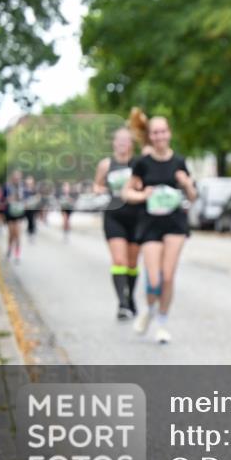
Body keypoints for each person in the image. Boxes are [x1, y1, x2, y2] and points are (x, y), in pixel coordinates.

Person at [122, 116, 196, 344]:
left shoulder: (179, 162)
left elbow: (192, 197)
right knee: (154, 279)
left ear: (169, 133)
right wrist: (143, 195)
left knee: (168, 276)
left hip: (174, 224)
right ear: (150, 136)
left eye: (163, 131)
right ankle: (149, 309)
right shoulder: (141, 163)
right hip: (150, 224)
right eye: (155, 133)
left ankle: (162, 323)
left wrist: (185, 183)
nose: (160, 136)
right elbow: (126, 193)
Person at [93, 127, 144, 321]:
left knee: (132, 263)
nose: (122, 143)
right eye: (119, 140)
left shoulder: (139, 163)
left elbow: (146, 184)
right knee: (119, 261)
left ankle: (130, 297)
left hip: (136, 216)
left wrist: (140, 187)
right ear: (114, 143)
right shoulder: (106, 165)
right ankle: (122, 305)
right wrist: (99, 190)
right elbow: (97, 184)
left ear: (131, 143)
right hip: (114, 215)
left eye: (126, 140)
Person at [2, 170, 26, 261]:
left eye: (18, 177)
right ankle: (9, 249)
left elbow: (27, 198)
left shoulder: (22, 187)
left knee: (18, 233)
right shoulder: (7, 187)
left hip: (19, 213)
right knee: (11, 234)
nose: (17, 179)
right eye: (15, 177)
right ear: (12, 178)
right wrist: (8, 199)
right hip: (9, 212)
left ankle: (17, 253)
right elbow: (2, 198)